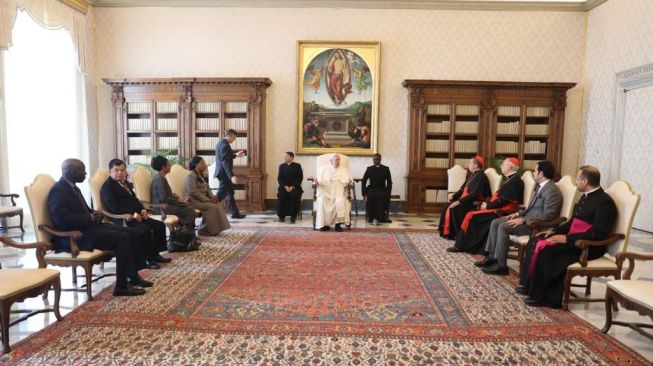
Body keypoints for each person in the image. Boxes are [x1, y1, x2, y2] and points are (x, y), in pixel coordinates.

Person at [47, 159, 149, 296]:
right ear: (72, 172)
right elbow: (61, 219)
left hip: (87, 229)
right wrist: (89, 218)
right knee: (122, 238)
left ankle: (133, 277)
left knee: (130, 232)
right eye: (83, 170)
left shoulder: (73, 187)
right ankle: (121, 286)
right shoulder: (58, 190)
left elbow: (83, 211)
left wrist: (94, 214)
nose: (85, 173)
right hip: (74, 236)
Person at [522, 166, 617, 308]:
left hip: (588, 245)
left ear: (585, 182)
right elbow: (573, 222)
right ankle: (531, 287)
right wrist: (554, 230)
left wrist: (567, 238)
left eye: (578, 179)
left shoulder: (604, 202)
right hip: (575, 239)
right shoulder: (586, 198)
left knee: (547, 251)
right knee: (536, 241)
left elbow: (599, 233)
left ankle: (546, 298)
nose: (576, 181)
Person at [474, 161, 563, 275]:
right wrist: (517, 214)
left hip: (537, 225)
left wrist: (523, 219)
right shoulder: (541, 187)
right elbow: (531, 208)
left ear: (541, 174)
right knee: (495, 222)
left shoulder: (552, 191)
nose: (533, 172)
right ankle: (492, 257)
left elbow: (548, 215)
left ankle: (501, 266)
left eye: (535, 171)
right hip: (527, 219)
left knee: (503, 227)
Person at [101, 159, 172, 268]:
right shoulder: (107, 187)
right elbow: (114, 207)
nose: (120, 173)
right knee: (145, 230)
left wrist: (142, 210)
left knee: (159, 226)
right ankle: (147, 260)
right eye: (116, 170)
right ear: (109, 171)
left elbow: (135, 200)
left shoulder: (125, 183)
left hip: (136, 215)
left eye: (122, 170)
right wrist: (133, 214)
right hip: (122, 219)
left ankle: (155, 254)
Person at [447, 158, 523, 253]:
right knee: (471, 214)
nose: (501, 166)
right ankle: (464, 245)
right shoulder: (512, 179)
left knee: (472, 216)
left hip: (503, 211)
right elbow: (501, 198)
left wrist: (488, 206)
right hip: (499, 207)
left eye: (503, 164)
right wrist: (488, 204)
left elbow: (503, 201)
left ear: (510, 167)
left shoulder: (515, 181)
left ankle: (469, 246)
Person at [439, 156, 491, 241]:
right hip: (467, 200)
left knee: (455, 208)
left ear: (476, 164)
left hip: (474, 203)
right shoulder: (472, 175)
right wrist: (454, 196)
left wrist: (459, 202)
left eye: (470, 163)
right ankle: (446, 232)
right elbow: (462, 189)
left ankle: (456, 234)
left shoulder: (481, 177)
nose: (468, 165)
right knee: (446, 206)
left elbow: (474, 195)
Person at [185, 156, 231, 236]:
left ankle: (212, 229)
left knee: (217, 204)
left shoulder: (204, 174)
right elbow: (193, 192)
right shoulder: (190, 176)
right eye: (202, 163)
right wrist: (207, 199)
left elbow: (208, 188)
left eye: (204, 162)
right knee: (212, 206)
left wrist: (212, 197)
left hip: (203, 199)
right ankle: (205, 230)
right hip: (194, 201)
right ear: (196, 165)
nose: (204, 164)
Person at [150, 155, 197, 230]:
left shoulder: (160, 177)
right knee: (189, 210)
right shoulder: (159, 179)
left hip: (166, 205)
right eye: (168, 164)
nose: (170, 165)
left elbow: (164, 195)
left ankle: (184, 233)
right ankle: (185, 236)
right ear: (163, 167)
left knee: (188, 207)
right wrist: (179, 201)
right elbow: (164, 198)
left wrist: (174, 196)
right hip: (161, 208)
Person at [314, 154, 353, 232]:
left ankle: (337, 225)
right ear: (331, 161)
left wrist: (349, 183)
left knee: (340, 201)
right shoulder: (323, 169)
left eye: (339, 160)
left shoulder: (344, 169)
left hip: (339, 191)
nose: (338, 161)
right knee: (322, 201)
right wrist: (317, 182)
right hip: (326, 191)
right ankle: (323, 224)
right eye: (336, 160)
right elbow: (318, 180)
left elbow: (350, 181)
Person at [215, 129, 246, 219]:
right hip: (224, 174)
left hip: (224, 173)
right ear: (229, 135)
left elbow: (227, 155)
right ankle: (209, 210)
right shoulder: (225, 145)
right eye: (234, 137)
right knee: (220, 195)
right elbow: (225, 162)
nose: (234, 140)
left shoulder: (221, 143)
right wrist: (231, 176)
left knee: (230, 193)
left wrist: (236, 154)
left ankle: (235, 213)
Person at [361, 153, 392, 224]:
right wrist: (364, 192)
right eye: (374, 159)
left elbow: (389, 182)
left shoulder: (386, 169)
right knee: (371, 196)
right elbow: (364, 181)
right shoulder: (369, 169)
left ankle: (381, 217)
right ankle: (371, 217)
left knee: (382, 196)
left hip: (381, 189)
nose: (375, 161)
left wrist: (388, 192)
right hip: (371, 188)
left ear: (380, 159)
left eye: (377, 159)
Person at [277, 152, 303, 223]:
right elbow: (280, 178)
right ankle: (281, 216)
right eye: (284, 156)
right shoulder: (281, 166)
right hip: (284, 187)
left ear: (291, 158)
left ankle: (293, 216)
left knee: (294, 196)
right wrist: (285, 186)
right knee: (281, 195)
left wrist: (292, 187)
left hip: (295, 187)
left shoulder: (297, 166)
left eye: (287, 156)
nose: (285, 158)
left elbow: (299, 178)